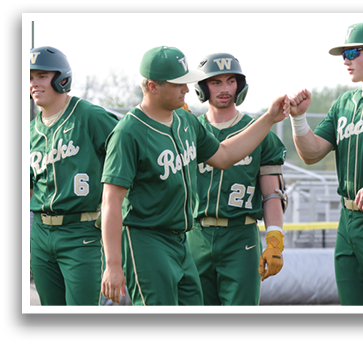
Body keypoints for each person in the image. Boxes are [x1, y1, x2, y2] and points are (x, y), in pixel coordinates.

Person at [100, 46, 290, 305]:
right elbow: (111, 202)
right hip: (147, 238)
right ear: (153, 86)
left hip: (182, 240)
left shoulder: (185, 122)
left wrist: (269, 118)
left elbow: (223, 155)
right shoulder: (128, 132)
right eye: (179, 84)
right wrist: (112, 264)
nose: (187, 90)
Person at [288, 22, 363, 305]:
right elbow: (312, 153)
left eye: (353, 51)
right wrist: (298, 118)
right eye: (343, 54)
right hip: (348, 220)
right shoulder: (344, 102)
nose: (345, 60)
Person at [185, 53, 287, 305]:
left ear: (240, 86)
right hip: (195, 233)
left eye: (231, 81)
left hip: (240, 236)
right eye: (215, 82)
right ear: (202, 86)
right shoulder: (187, 130)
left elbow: (272, 194)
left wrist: (275, 239)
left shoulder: (260, 132)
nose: (224, 89)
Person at [30, 46, 118, 305]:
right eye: (31, 77)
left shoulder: (89, 116)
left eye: (42, 75)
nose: (34, 83)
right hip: (41, 233)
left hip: (83, 231)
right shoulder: (31, 131)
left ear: (62, 79)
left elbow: (129, 153)